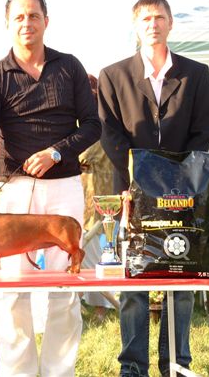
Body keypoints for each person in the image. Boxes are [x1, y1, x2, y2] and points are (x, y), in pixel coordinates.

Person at [0, 0, 101, 377]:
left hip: (64, 187)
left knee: (65, 287)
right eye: (19, 17)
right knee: (12, 290)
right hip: (14, 191)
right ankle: (18, 373)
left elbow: (93, 125)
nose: (27, 23)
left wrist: (56, 152)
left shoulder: (69, 67)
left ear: (46, 21)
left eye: (34, 15)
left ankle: (59, 372)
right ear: (8, 24)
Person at [98, 0, 209, 377]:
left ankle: (176, 364)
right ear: (136, 26)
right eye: (146, 18)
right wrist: (142, 177)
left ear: (170, 23)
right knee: (134, 282)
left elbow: (203, 130)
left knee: (180, 281)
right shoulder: (113, 75)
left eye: (160, 17)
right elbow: (110, 134)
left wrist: (176, 179)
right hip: (131, 193)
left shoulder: (196, 74)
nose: (153, 24)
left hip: (182, 194)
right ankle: (132, 367)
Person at [79, 74, 115, 320]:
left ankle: (102, 308)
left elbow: (81, 156)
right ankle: (89, 304)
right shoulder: (105, 121)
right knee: (92, 255)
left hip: (95, 201)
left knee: (94, 256)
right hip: (95, 198)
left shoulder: (95, 125)